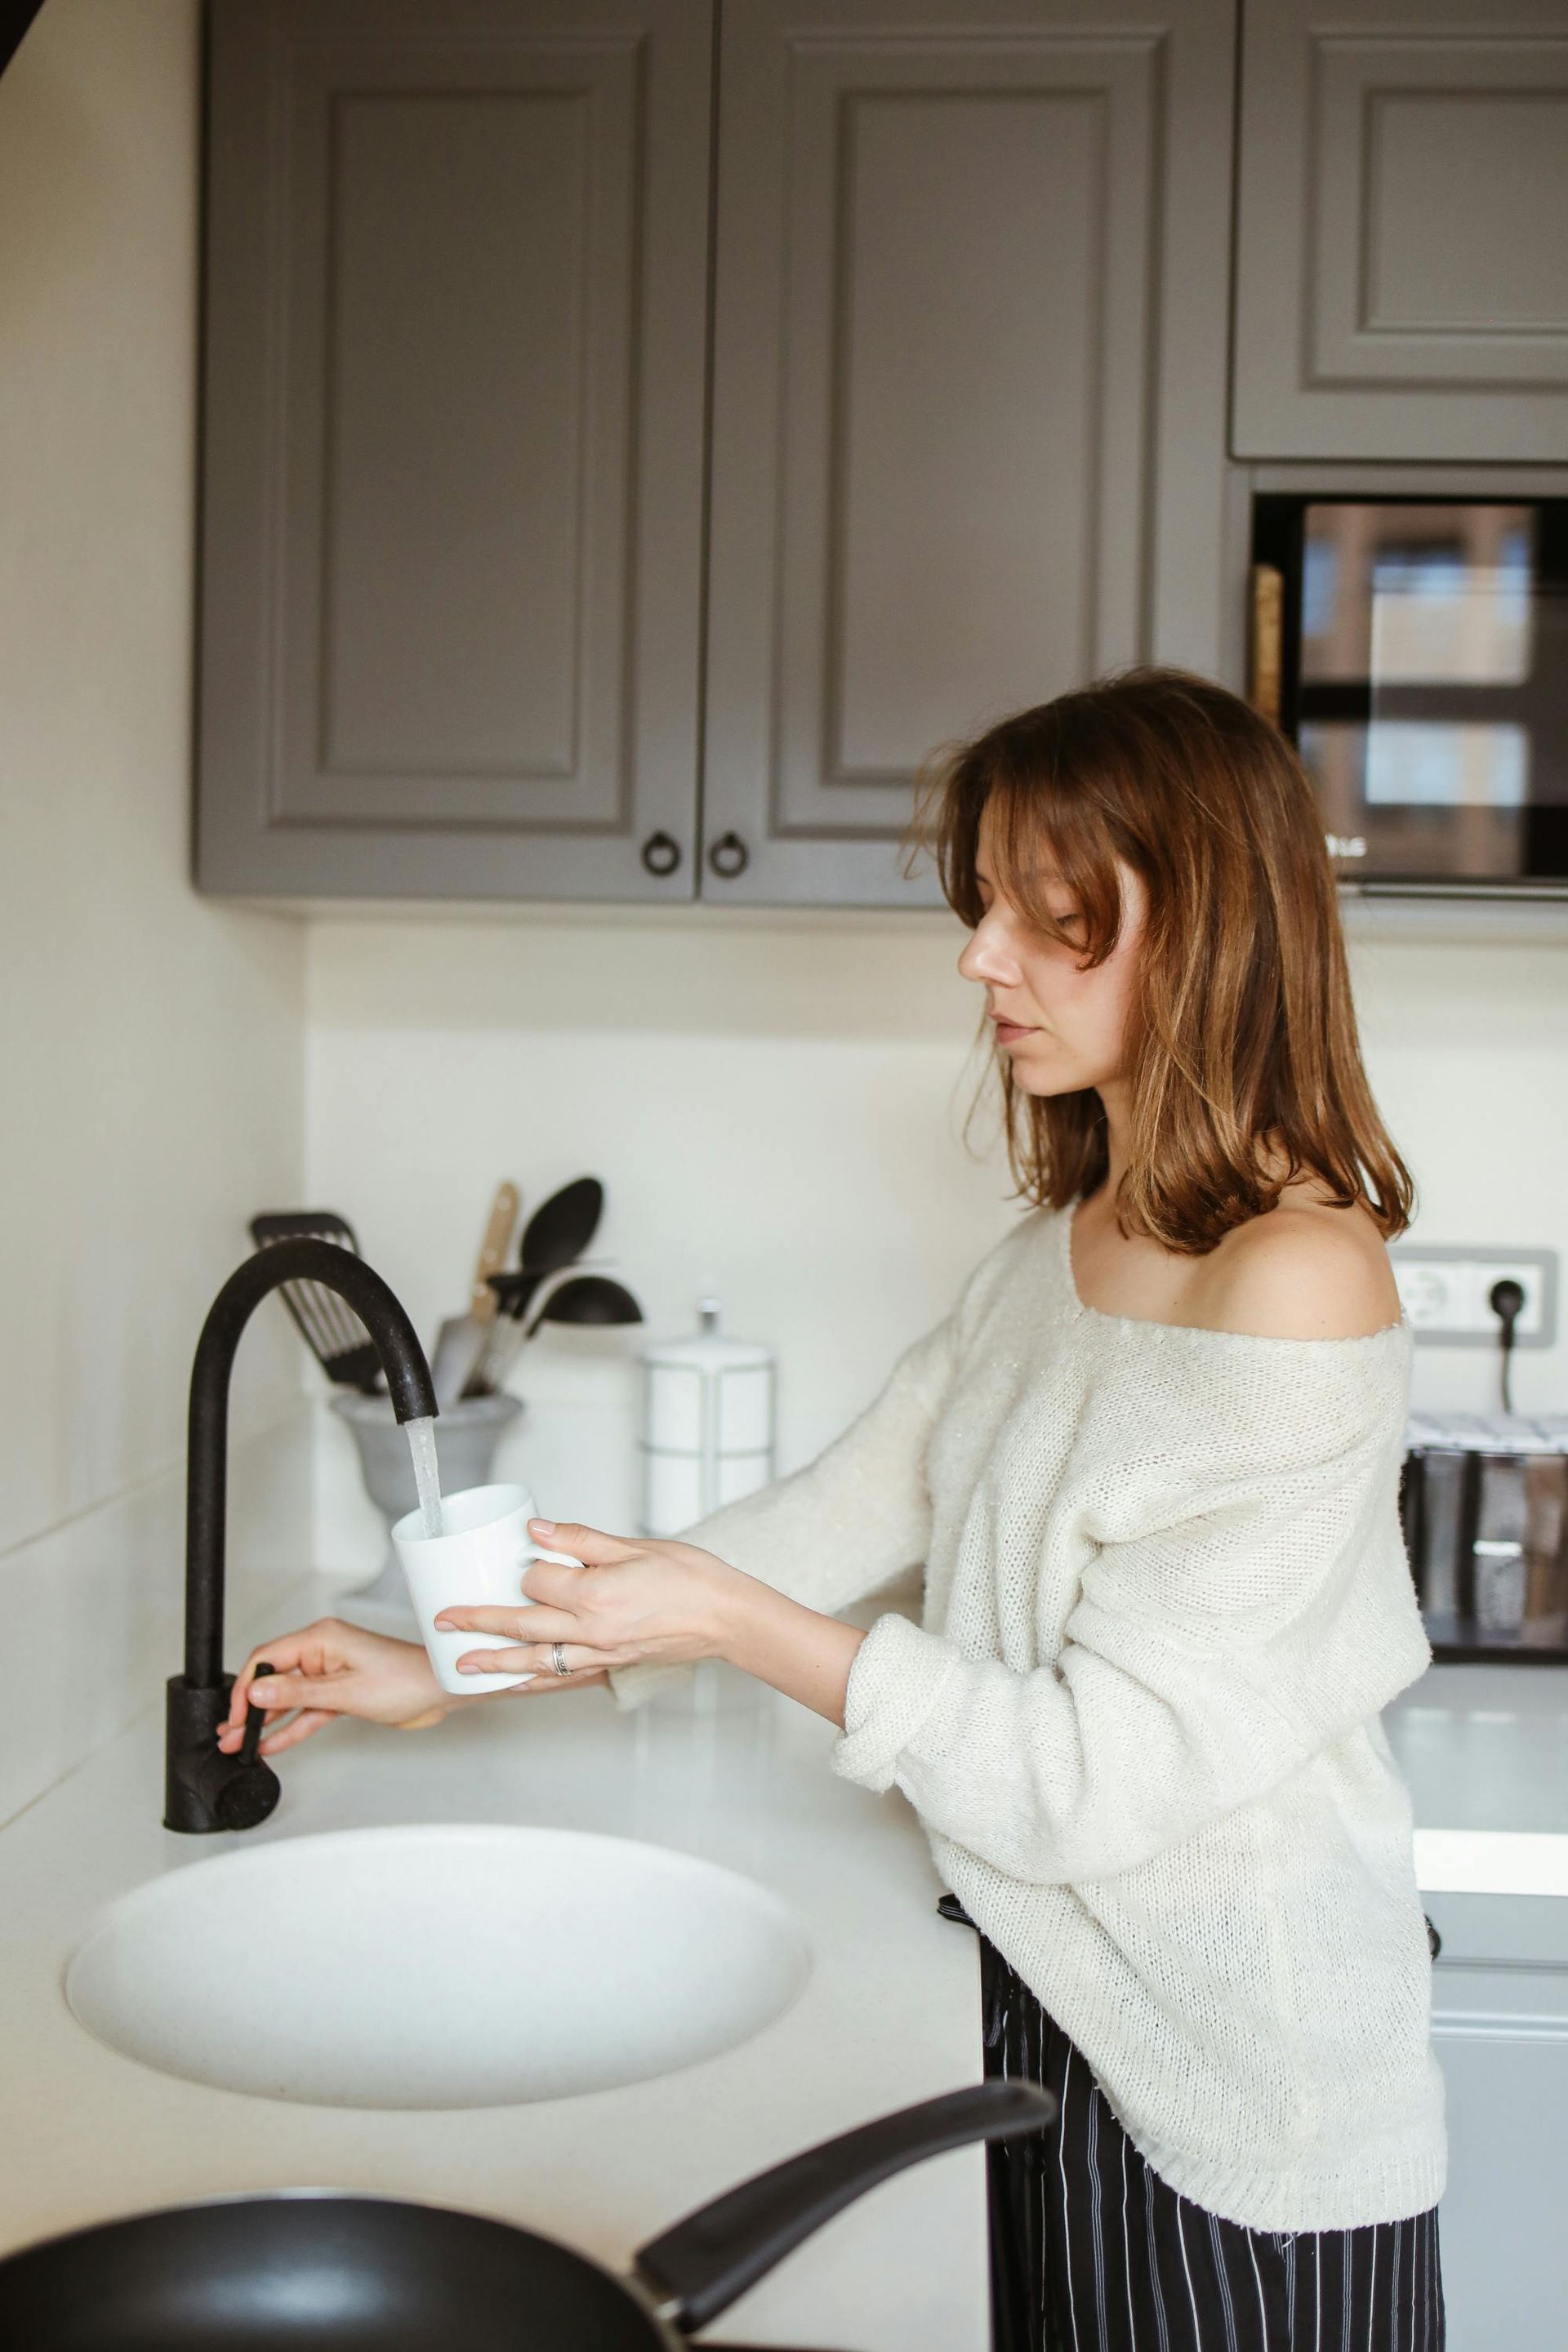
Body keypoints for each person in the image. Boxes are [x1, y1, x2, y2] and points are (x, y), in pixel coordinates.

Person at [220, 667, 1446, 2351]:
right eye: (983, 904)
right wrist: (452, 1662)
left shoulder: (1299, 1282)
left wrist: (731, 1627)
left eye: (1047, 912)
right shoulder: (1067, 1243)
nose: (979, 956)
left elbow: (1093, 1777)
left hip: (1245, 2093)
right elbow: (828, 1512)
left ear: (1213, 926)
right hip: (1042, 2000)